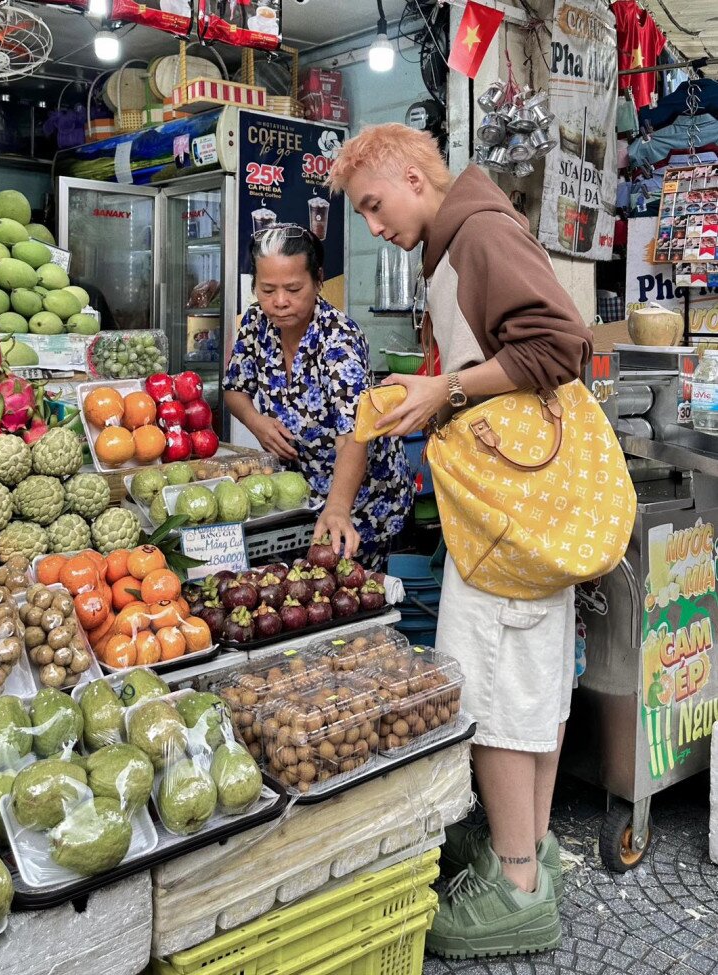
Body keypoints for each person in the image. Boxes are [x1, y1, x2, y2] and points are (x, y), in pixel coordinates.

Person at [328, 124, 593, 960]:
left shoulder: (476, 232)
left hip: (511, 516)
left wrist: (448, 385)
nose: (373, 225)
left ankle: (516, 888)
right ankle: (532, 848)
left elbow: (562, 344)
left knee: (495, 687)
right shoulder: (460, 238)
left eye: (374, 205)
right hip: (519, 513)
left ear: (414, 175)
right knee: (533, 677)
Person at [223, 223, 412, 568]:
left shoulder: (337, 340)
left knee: (350, 588)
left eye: (294, 288)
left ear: (318, 280)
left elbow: (354, 435)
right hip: (302, 492)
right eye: (267, 290)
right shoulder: (255, 323)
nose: (280, 302)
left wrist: (338, 508)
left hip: (362, 497)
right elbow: (235, 389)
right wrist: (257, 422)